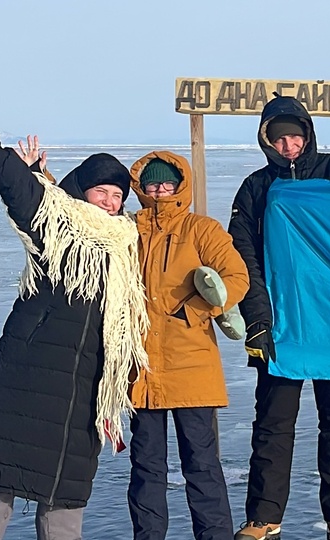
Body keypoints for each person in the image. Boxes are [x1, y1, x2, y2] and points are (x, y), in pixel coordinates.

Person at [0, 107, 149, 540]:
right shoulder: (56, 226)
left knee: (64, 503)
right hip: (27, 381)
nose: (111, 203)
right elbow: (26, 199)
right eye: (102, 192)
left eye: (118, 195)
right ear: (81, 191)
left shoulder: (124, 247)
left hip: (83, 393)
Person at [229, 93, 330, 540]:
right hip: (281, 323)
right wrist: (256, 319)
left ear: (308, 136)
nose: (289, 145)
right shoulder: (256, 187)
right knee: (272, 422)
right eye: (279, 138)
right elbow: (243, 258)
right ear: (267, 141)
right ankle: (263, 516)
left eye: (295, 136)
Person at [126, 151, 250, 540]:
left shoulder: (202, 230)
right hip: (141, 368)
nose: (160, 191)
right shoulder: (128, 231)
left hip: (192, 366)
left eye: (167, 184)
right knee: (147, 466)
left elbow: (236, 278)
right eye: (153, 184)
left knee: (201, 463)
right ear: (141, 188)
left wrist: (191, 313)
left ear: (181, 187)